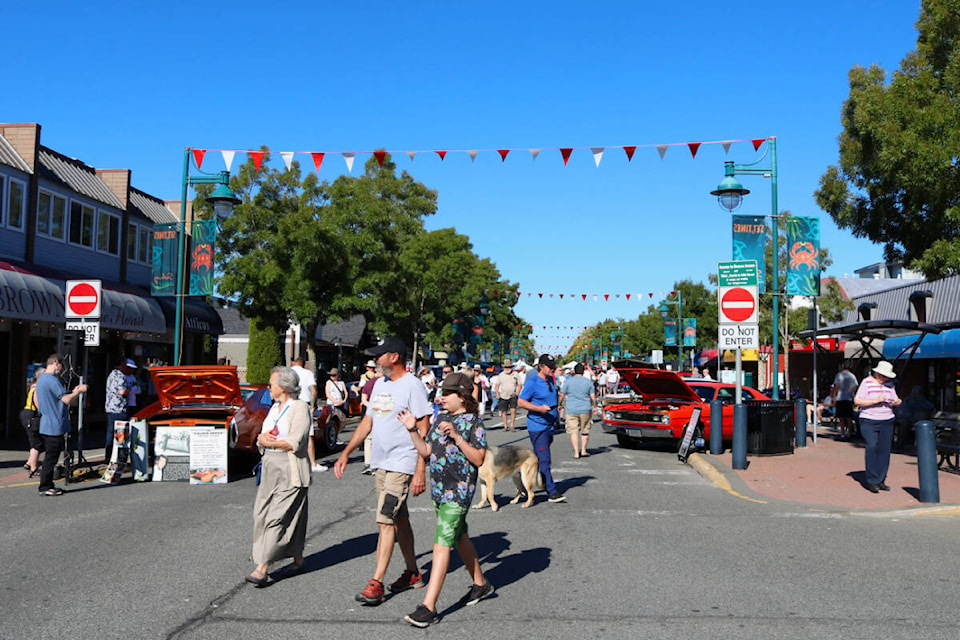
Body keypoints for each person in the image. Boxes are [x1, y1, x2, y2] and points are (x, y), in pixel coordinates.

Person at [333, 337, 433, 606]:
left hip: (403, 462)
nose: (376, 359)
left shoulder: (413, 386)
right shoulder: (379, 384)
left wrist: (420, 468)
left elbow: (424, 426)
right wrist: (346, 452)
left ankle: (376, 582)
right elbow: (368, 421)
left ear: (394, 357)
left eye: (380, 355)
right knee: (399, 519)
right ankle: (413, 573)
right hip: (381, 462)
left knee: (385, 519)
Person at [397, 372, 494, 627]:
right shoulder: (441, 417)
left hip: (458, 493)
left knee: (442, 543)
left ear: (461, 396)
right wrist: (412, 430)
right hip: (439, 491)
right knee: (459, 535)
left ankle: (428, 607)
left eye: (447, 393)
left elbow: (479, 459)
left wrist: (458, 437)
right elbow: (427, 451)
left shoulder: (474, 423)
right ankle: (481, 584)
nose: (442, 397)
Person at [245, 366, 312, 586]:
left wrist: (270, 442)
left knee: (277, 517)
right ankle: (298, 558)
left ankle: (262, 567)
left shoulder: (300, 407)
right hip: (270, 464)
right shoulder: (274, 408)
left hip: (290, 466)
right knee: (262, 513)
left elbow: (296, 441)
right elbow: (264, 435)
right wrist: (262, 441)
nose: (268, 388)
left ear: (283, 387)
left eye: (271, 384)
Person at [35, 354, 88, 496]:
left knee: (50, 457)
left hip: (46, 422)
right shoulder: (52, 380)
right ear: (56, 363)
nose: (62, 369)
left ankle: (48, 485)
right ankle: (45, 486)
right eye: (62, 366)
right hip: (54, 425)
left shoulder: (41, 380)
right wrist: (78, 391)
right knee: (51, 458)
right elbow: (66, 399)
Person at [517, 354, 565, 503]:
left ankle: (525, 482)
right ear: (540, 367)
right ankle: (551, 491)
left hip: (550, 425)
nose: (553, 369)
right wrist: (538, 408)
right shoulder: (532, 382)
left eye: (554, 367)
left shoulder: (551, 380)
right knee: (544, 459)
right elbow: (520, 402)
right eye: (550, 367)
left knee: (538, 458)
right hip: (537, 426)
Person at [854, 361, 901, 494]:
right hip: (869, 419)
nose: (884, 379)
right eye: (883, 376)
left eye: (887, 377)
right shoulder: (866, 382)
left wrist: (897, 402)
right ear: (877, 373)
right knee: (872, 446)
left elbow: (896, 399)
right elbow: (857, 400)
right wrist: (875, 400)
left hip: (887, 420)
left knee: (884, 450)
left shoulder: (889, 385)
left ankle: (881, 479)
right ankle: (872, 480)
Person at [290, 357, 324, 472]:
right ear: (304, 364)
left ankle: (290, 462)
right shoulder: (307, 373)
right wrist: (313, 405)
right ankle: (313, 463)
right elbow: (313, 390)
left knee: (289, 432)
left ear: (294, 363)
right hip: (304, 404)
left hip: (289, 404)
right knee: (308, 435)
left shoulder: (287, 372)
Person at [560, 363, 596, 458]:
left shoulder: (568, 381)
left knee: (574, 431)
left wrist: (559, 404)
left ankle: (576, 452)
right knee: (585, 430)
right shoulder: (588, 382)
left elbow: (562, 394)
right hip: (585, 408)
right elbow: (593, 396)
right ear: (583, 371)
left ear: (574, 371)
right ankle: (583, 450)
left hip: (572, 409)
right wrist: (595, 406)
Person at [104, 357, 133, 462]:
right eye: (125, 365)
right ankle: (118, 455)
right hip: (119, 408)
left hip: (110, 407)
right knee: (120, 432)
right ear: (121, 365)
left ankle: (108, 455)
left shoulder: (111, 374)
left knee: (110, 432)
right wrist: (129, 389)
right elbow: (122, 391)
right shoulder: (120, 376)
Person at [19, 368, 45, 476]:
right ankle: (34, 467)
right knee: (37, 442)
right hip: (31, 415)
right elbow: (38, 404)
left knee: (35, 440)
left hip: (28, 414)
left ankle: (29, 462)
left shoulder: (33, 386)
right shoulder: (37, 388)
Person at [831, 363, 859, 440]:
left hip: (840, 398)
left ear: (842, 366)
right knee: (849, 417)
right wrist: (853, 395)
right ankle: (849, 433)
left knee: (841, 417)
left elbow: (836, 387)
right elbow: (855, 387)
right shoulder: (852, 376)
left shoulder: (839, 375)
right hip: (849, 398)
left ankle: (842, 433)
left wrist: (833, 397)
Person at [494, 359, 522, 431]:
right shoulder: (501, 375)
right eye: (506, 367)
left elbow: (519, 384)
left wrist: (517, 393)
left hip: (513, 395)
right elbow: (497, 385)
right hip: (503, 395)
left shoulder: (515, 374)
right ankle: (505, 425)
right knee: (504, 411)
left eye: (509, 367)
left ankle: (512, 425)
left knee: (513, 410)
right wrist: (497, 393)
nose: (507, 369)